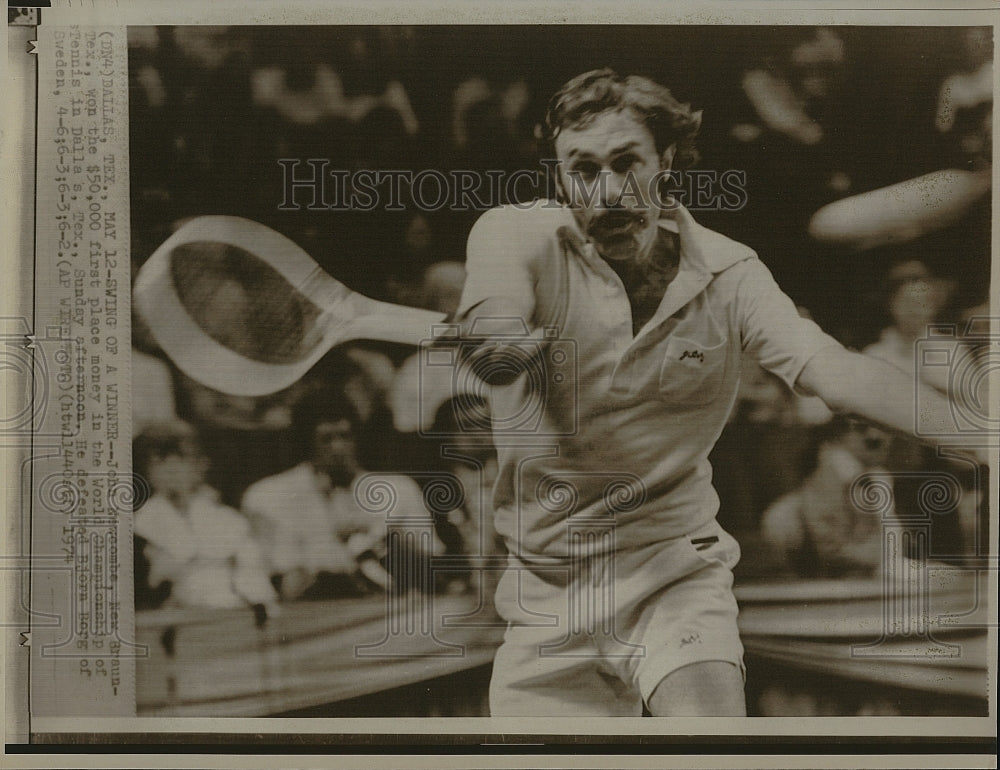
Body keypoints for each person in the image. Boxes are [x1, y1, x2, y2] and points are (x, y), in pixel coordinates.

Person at [446, 69, 986, 717]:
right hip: (545, 591)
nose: (609, 191)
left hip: (672, 571)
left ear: (665, 160)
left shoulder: (732, 273)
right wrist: (497, 335)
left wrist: (980, 431)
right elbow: (497, 311)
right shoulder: (513, 234)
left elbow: (834, 371)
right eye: (583, 169)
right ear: (560, 175)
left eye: (627, 162)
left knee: (710, 747)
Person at [241, 388, 440, 600]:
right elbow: (282, 583)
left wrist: (385, 540)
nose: (338, 448)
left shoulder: (400, 489)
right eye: (326, 439)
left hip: (393, 610)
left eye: (345, 436)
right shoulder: (267, 496)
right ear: (306, 442)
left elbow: (431, 573)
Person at [132, 421, 278, 614]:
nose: (171, 469)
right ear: (147, 470)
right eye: (160, 461)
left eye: (181, 459)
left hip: (234, 611)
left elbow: (253, 573)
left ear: (200, 465)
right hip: (175, 615)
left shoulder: (229, 519)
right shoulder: (138, 525)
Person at [760, 417, 892, 578]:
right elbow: (830, 549)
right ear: (837, 434)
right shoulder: (834, 469)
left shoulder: (875, 477)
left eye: (883, 427)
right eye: (861, 428)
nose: (875, 435)